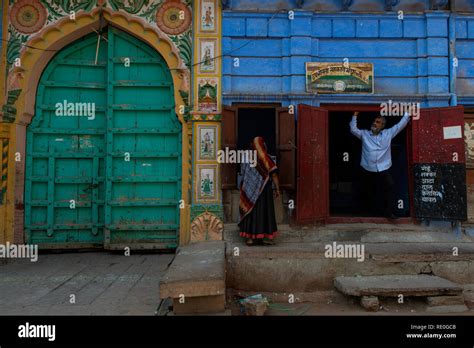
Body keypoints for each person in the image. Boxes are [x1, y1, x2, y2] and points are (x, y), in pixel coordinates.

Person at [350, 111, 410, 219]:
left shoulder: (388, 133)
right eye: (374, 121)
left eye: (378, 122)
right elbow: (353, 129)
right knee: (367, 190)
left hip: (383, 168)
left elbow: (399, 126)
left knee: (389, 187)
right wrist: (355, 115)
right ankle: (363, 212)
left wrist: (407, 113)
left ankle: (389, 213)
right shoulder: (364, 134)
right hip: (367, 168)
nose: (374, 123)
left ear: (382, 126)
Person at [238, 136, 280, 246]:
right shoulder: (267, 158)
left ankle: (250, 239)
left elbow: (242, 172)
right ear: (262, 145)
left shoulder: (246, 157)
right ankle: (264, 238)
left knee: (251, 212)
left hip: (248, 190)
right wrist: (277, 189)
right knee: (264, 213)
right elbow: (274, 174)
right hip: (264, 192)